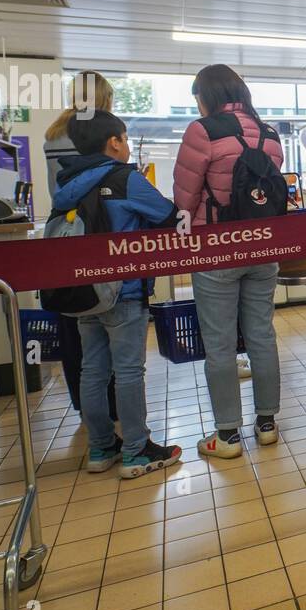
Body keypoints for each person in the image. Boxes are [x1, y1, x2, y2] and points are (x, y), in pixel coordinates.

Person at [55, 110, 182, 479]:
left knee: (92, 369)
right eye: (124, 138)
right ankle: (136, 449)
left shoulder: (67, 182)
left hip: (82, 291)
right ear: (113, 141)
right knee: (128, 370)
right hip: (124, 291)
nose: (126, 145)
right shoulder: (125, 178)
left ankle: (100, 447)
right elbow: (167, 214)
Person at [172, 64, 287, 459]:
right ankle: (268, 423)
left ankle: (228, 436)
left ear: (207, 95)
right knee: (262, 334)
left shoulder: (201, 131)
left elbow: (184, 200)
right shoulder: (269, 135)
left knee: (219, 343)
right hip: (263, 248)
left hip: (217, 249)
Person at [42, 72, 116, 429]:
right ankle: (111, 403)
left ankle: (85, 406)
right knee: (109, 318)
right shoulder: (99, 132)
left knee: (73, 323)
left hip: (62, 235)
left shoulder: (54, 131)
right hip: (99, 234)